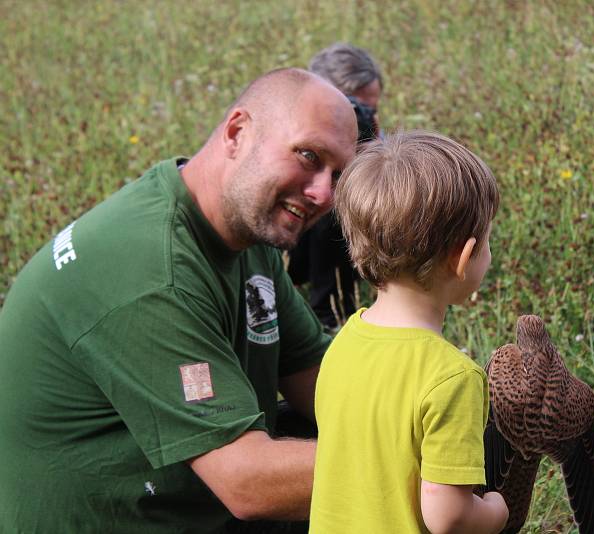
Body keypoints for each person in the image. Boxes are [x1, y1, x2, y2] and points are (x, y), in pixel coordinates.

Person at [0, 68, 357, 533]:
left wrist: (445, 408)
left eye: (338, 175)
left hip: (179, 497)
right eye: (309, 156)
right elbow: (248, 483)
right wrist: (430, 466)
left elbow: (321, 382)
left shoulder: (240, 233)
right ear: (237, 132)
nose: (323, 193)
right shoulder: (153, 272)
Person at [309, 131, 510, 533]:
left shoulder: (345, 342)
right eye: (487, 241)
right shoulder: (452, 378)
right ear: (464, 257)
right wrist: (496, 509)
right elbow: (449, 517)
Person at [287, 42, 383, 332]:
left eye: (368, 109)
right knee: (333, 201)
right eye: (349, 106)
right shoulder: (287, 127)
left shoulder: (364, 132)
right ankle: (331, 314)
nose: (356, 116)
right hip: (287, 246)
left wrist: (375, 153)